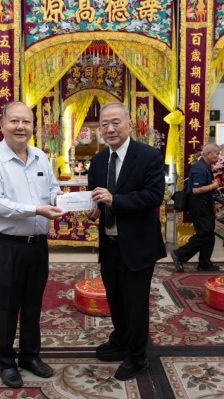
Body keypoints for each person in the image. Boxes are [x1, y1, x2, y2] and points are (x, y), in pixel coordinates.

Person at [0, 101, 66, 388]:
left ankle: (30, 356)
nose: (20, 127)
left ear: (33, 126)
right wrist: (37, 210)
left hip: (37, 246)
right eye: (14, 121)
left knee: (32, 304)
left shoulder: (40, 157)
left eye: (26, 122)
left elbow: (52, 189)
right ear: (2, 124)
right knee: (6, 306)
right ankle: (6, 362)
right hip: (7, 246)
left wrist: (63, 200)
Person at [86, 102, 166, 381]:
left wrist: (114, 200)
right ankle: (121, 340)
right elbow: (97, 199)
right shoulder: (98, 161)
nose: (110, 129)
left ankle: (137, 356)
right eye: (104, 124)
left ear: (130, 124)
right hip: (109, 244)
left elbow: (154, 196)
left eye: (116, 122)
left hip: (138, 245)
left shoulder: (149, 156)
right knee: (115, 299)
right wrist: (94, 210)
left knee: (135, 302)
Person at [171, 143, 222, 272]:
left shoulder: (206, 166)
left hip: (205, 204)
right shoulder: (200, 168)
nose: (218, 156)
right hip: (198, 205)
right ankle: (179, 255)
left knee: (209, 234)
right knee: (204, 233)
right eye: (217, 154)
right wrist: (213, 186)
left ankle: (205, 264)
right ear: (208, 154)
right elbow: (195, 190)